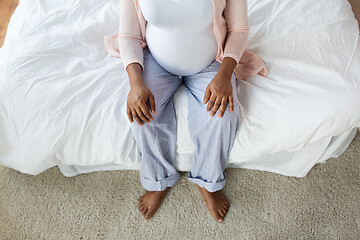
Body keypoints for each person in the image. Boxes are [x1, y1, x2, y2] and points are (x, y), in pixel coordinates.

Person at [104, 0, 268, 223]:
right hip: (157, 60)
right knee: (142, 114)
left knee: (222, 116)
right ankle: (158, 180)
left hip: (211, 62)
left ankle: (207, 182)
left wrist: (223, 75)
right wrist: (136, 83)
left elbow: (239, 29)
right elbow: (129, 35)